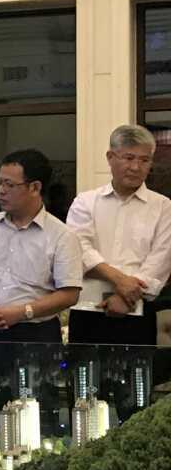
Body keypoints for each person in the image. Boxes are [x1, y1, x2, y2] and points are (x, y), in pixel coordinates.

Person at [0, 149, 82, 343]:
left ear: (35, 187)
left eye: (9, 184)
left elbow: (69, 294)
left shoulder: (62, 235)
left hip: (36, 333)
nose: (1, 190)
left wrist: (23, 312)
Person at [66, 125, 171, 346]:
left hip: (137, 310)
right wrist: (121, 281)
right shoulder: (85, 202)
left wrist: (127, 296)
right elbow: (78, 249)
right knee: (82, 369)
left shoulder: (163, 207)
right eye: (129, 158)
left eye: (144, 160)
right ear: (110, 157)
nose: (136, 167)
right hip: (87, 310)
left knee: (138, 369)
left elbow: (160, 260)